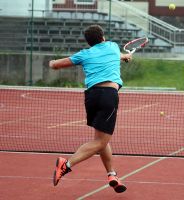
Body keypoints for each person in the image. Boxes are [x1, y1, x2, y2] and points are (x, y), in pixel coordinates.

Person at [49, 25, 132, 193]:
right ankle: (67, 165)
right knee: (101, 141)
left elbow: (56, 65)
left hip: (91, 96)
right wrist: (126, 57)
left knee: (101, 139)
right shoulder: (113, 46)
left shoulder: (84, 54)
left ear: (89, 42)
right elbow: (117, 55)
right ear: (103, 37)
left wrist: (52, 63)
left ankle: (112, 174)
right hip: (108, 95)